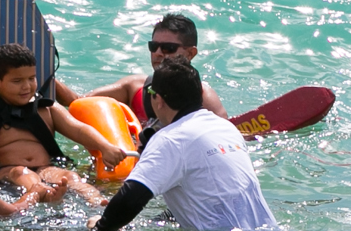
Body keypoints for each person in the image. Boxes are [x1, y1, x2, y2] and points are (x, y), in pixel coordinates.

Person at [94, 58, 276, 231]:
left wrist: (100, 227)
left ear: (158, 100)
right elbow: (208, 196)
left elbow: (131, 198)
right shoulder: (225, 128)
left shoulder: (170, 139)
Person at [0, 43, 125, 207]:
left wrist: (105, 146)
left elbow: (79, 130)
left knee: (70, 176)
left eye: (31, 78)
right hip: (5, 172)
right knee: (22, 173)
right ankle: (40, 192)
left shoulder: (47, 108)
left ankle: (95, 200)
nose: (26, 86)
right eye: (17, 81)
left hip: (45, 168)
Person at [62, 13, 228, 140]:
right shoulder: (134, 87)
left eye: (168, 48)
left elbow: (224, 141)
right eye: (153, 46)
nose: (157, 53)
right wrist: (42, 78)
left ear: (191, 53)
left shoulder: (203, 97)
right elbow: (78, 103)